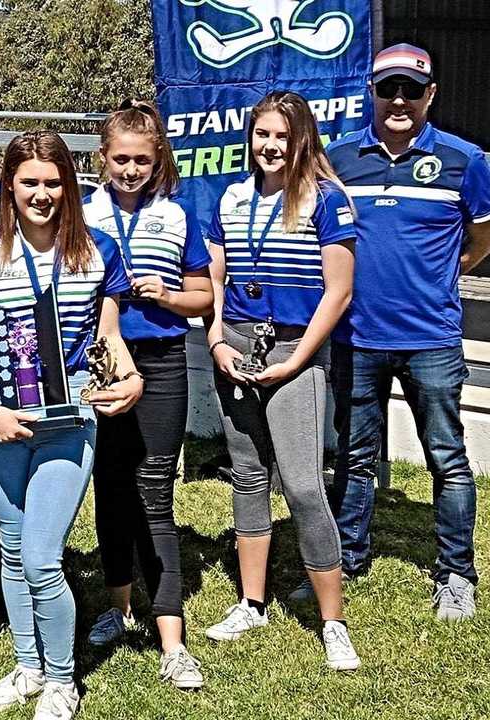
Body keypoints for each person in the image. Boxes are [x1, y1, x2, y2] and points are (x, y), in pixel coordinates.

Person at [0, 130, 142, 720]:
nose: (41, 193)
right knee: (12, 554)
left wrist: (130, 377)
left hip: (69, 425)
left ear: (69, 185)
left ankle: (62, 680)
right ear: (8, 186)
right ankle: (28, 665)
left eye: (53, 181)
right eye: (29, 182)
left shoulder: (99, 250)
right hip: (1, 426)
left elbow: (109, 336)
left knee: (41, 557)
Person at [325, 43, 490, 621]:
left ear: (431, 94)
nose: (399, 100)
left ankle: (456, 574)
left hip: (432, 340)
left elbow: (479, 241)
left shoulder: (466, 160)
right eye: (387, 88)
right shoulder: (338, 159)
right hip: (355, 337)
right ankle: (346, 559)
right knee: (353, 455)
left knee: (447, 459)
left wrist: (439, 276)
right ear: (370, 91)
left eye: (412, 90)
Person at [202, 91, 359, 671]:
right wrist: (216, 337)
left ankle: (333, 623)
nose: (270, 146)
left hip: (295, 348)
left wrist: (297, 362)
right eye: (261, 134)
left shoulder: (326, 199)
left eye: (282, 136)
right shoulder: (232, 195)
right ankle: (251, 603)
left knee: (300, 483)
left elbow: (338, 292)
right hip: (238, 344)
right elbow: (216, 275)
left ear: (302, 140)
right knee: (245, 476)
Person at [80, 99, 212, 688]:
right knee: (109, 487)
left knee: (155, 491)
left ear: (157, 157)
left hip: (160, 362)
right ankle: (117, 606)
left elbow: (204, 299)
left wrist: (165, 295)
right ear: (103, 158)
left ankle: (171, 637)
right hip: (102, 362)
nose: (131, 169)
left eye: (141, 159)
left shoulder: (179, 214)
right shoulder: (81, 214)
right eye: (120, 159)